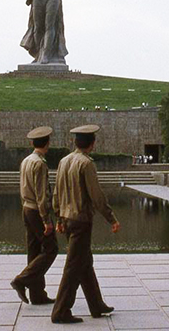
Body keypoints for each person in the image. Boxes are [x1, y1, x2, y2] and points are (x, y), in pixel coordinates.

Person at [51, 125, 120, 324]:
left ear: (75, 142)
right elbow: (96, 195)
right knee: (74, 266)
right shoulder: (86, 163)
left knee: (84, 263)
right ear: (92, 144)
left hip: (67, 218)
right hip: (81, 220)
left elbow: (56, 193)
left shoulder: (64, 161)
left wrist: (59, 218)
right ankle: (60, 311)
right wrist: (111, 218)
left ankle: (96, 305)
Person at [11, 126, 58, 305]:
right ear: (47, 143)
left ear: (32, 143)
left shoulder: (26, 160)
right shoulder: (40, 163)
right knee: (51, 248)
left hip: (26, 209)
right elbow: (42, 194)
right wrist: (46, 219)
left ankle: (37, 295)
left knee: (34, 250)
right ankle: (21, 280)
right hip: (37, 211)